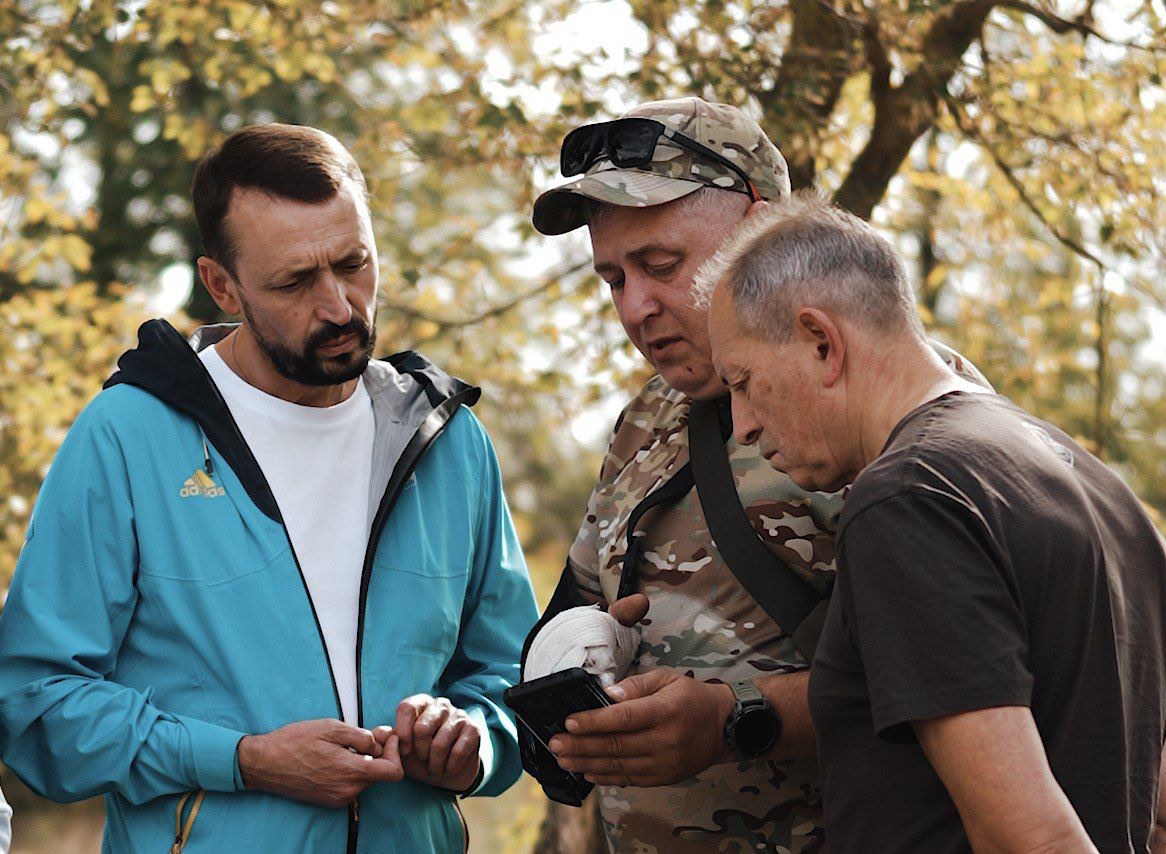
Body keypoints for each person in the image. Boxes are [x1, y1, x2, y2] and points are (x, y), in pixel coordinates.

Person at [0, 123, 538, 852]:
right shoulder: (128, 435)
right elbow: (37, 706)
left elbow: (512, 677)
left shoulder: (449, 440)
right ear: (221, 284)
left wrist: (474, 741)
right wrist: (242, 761)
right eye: (295, 282)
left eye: (354, 264)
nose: (340, 307)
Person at [525, 96, 988, 852]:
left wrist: (733, 719)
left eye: (662, 266)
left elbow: (968, 675)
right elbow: (575, 600)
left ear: (759, 231)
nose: (635, 307)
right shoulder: (649, 417)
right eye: (612, 278)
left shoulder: (892, 407)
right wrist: (575, 675)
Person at [702, 190, 1166, 852]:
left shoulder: (908, 498)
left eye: (743, 381)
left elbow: (1026, 837)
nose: (742, 425)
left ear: (821, 343)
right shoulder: (1095, 484)